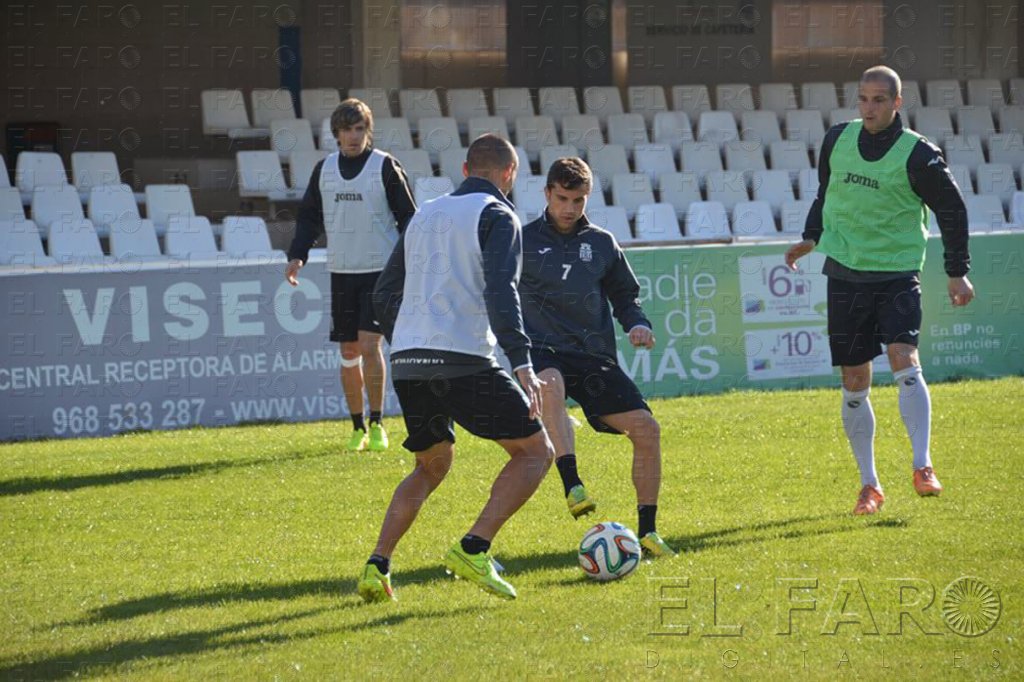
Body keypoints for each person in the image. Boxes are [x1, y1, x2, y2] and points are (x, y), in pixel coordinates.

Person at [357, 134, 555, 603]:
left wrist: (407, 338)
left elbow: (384, 293)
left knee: (431, 465)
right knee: (535, 452)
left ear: (465, 169)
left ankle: (376, 565)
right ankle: (474, 547)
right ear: (510, 173)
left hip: (407, 360)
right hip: (463, 358)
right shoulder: (499, 215)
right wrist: (522, 362)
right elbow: (501, 292)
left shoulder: (424, 213)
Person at [785, 65, 974, 515]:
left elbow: (952, 209)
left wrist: (956, 270)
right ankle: (869, 486)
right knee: (854, 381)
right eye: (863, 99)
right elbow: (824, 193)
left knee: (903, 357)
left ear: (896, 103)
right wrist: (811, 238)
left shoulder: (918, 155)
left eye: (878, 100)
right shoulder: (836, 139)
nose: (868, 108)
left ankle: (922, 465)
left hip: (895, 274)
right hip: (845, 275)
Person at [518, 157, 675, 557]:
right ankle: (572, 483)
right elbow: (496, 291)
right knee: (550, 383)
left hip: (593, 355)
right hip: (542, 348)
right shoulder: (520, 240)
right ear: (547, 193)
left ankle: (648, 532)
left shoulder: (602, 243)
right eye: (563, 198)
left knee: (647, 429)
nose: (570, 208)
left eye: (579, 200)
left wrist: (637, 323)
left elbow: (625, 295)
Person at [285, 98, 416, 453]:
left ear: (367, 131)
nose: (354, 136)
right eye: (347, 130)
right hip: (341, 270)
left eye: (360, 129)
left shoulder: (385, 166)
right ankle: (356, 426)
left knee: (370, 344)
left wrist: (409, 263)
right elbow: (309, 217)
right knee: (348, 348)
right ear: (336, 133)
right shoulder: (324, 170)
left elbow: (409, 218)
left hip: (380, 272)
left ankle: (377, 423)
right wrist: (297, 255)